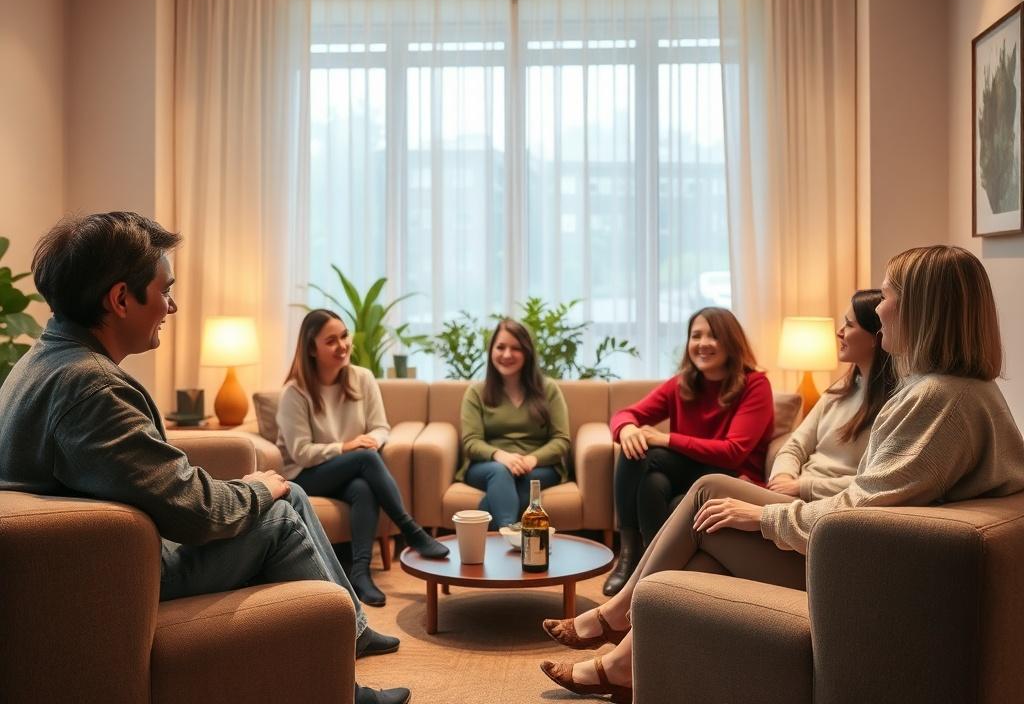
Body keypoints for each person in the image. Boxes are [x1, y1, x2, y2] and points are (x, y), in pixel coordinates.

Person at [540, 245, 1024, 703]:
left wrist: (763, 517)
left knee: (708, 500)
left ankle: (616, 621)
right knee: (705, 516)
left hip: (860, 574)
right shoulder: (958, 392)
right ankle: (622, 658)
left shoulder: (935, 399)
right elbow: (866, 500)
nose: (878, 311)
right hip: (867, 555)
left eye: (887, 295)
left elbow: (859, 510)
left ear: (922, 308)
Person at [0, 213, 409, 704]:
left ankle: (351, 632)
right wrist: (256, 490)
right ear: (121, 299)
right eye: (165, 290)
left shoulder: (42, 360)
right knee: (279, 514)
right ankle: (346, 689)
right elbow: (196, 514)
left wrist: (256, 488)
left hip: (98, 558)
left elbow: (156, 481)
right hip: (120, 574)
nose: (171, 306)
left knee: (290, 492)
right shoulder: (93, 389)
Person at [277, 308, 449, 607]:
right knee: (366, 459)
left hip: (347, 470)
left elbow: (381, 427)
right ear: (311, 349)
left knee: (363, 487)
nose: (342, 345)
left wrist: (371, 441)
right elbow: (301, 452)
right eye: (331, 340)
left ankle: (360, 573)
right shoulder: (295, 393)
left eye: (344, 336)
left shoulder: (362, 378)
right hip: (305, 474)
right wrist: (347, 447)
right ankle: (411, 530)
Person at [602, 306, 774, 595]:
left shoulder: (755, 385)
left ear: (731, 341)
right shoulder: (681, 384)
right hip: (688, 473)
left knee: (650, 454)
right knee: (648, 474)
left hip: (731, 477)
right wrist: (627, 429)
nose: (703, 343)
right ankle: (638, 563)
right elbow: (625, 414)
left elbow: (733, 452)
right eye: (696, 336)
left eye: (713, 335)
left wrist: (667, 439)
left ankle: (641, 567)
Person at [766, 289, 897, 500]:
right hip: (792, 492)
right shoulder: (838, 391)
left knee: (712, 486)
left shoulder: (894, 405)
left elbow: (876, 480)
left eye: (850, 325)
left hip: (823, 502)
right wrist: (783, 477)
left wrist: (803, 487)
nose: (839, 332)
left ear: (876, 337)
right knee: (714, 488)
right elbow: (794, 445)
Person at [458, 319, 570, 529]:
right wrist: (501, 457)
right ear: (491, 351)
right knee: (501, 473)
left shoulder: (548, 389)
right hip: (488, 466)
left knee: (521, 482)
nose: (507, 354)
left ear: (527, 352)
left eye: (516, 348)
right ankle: (507, 534)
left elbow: (561, 440)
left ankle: (496, 537)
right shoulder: (476, 392)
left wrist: (531, 459)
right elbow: (471, 442)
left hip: (537, 468)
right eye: (500, 347)